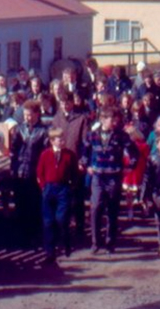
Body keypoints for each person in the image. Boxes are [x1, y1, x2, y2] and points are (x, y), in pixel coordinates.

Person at [81, 107, 139, 254]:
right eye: (110, 120)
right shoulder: (92, 135)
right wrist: (86, 165)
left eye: (115, 120)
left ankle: (110, 242)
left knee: (112, 210)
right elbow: (85, 152)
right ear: (102, 119)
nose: (114, 122)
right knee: (95, 208)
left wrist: (130, 167)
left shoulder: (121, 135)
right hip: (98, 177)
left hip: (114, 176)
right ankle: (95, 242)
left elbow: (134, 152)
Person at [10, 101, 49, 246]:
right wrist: (13, 168)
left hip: (35, 173)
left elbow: (46, 153)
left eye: (29, 115)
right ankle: (22, 235)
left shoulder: (43, 131)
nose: (27, 118)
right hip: (20, 172)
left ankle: (35, 235)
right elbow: (13, 150)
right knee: (21, 205)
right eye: (25, 115)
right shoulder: (19, 129)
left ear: (37, 114)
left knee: (35, 206)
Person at [36, 128, 79, 264]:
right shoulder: (45, 155)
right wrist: (43, 187)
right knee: (48, 222)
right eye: (60, 140)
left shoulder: (69, 155)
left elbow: (75, 173)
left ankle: (65, 241)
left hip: (63, 188)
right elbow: (39, 172)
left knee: (61, 219)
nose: (63, 142)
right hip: (49, 188)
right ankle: (50, 252)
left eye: (63, 139)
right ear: (52, 141)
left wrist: (70, 187)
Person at [50, 92, 89, 235]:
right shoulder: (57, 118)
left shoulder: (81, 119)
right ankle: (63, 228)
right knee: (61, 197)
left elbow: (85, 142)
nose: (65, 105)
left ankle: (80, 227)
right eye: (62, 102)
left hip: (76, 162)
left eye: (67, 102)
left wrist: (82, 161)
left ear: (73, 103)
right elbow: (52, 140)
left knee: (77, 197)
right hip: (60, 162)